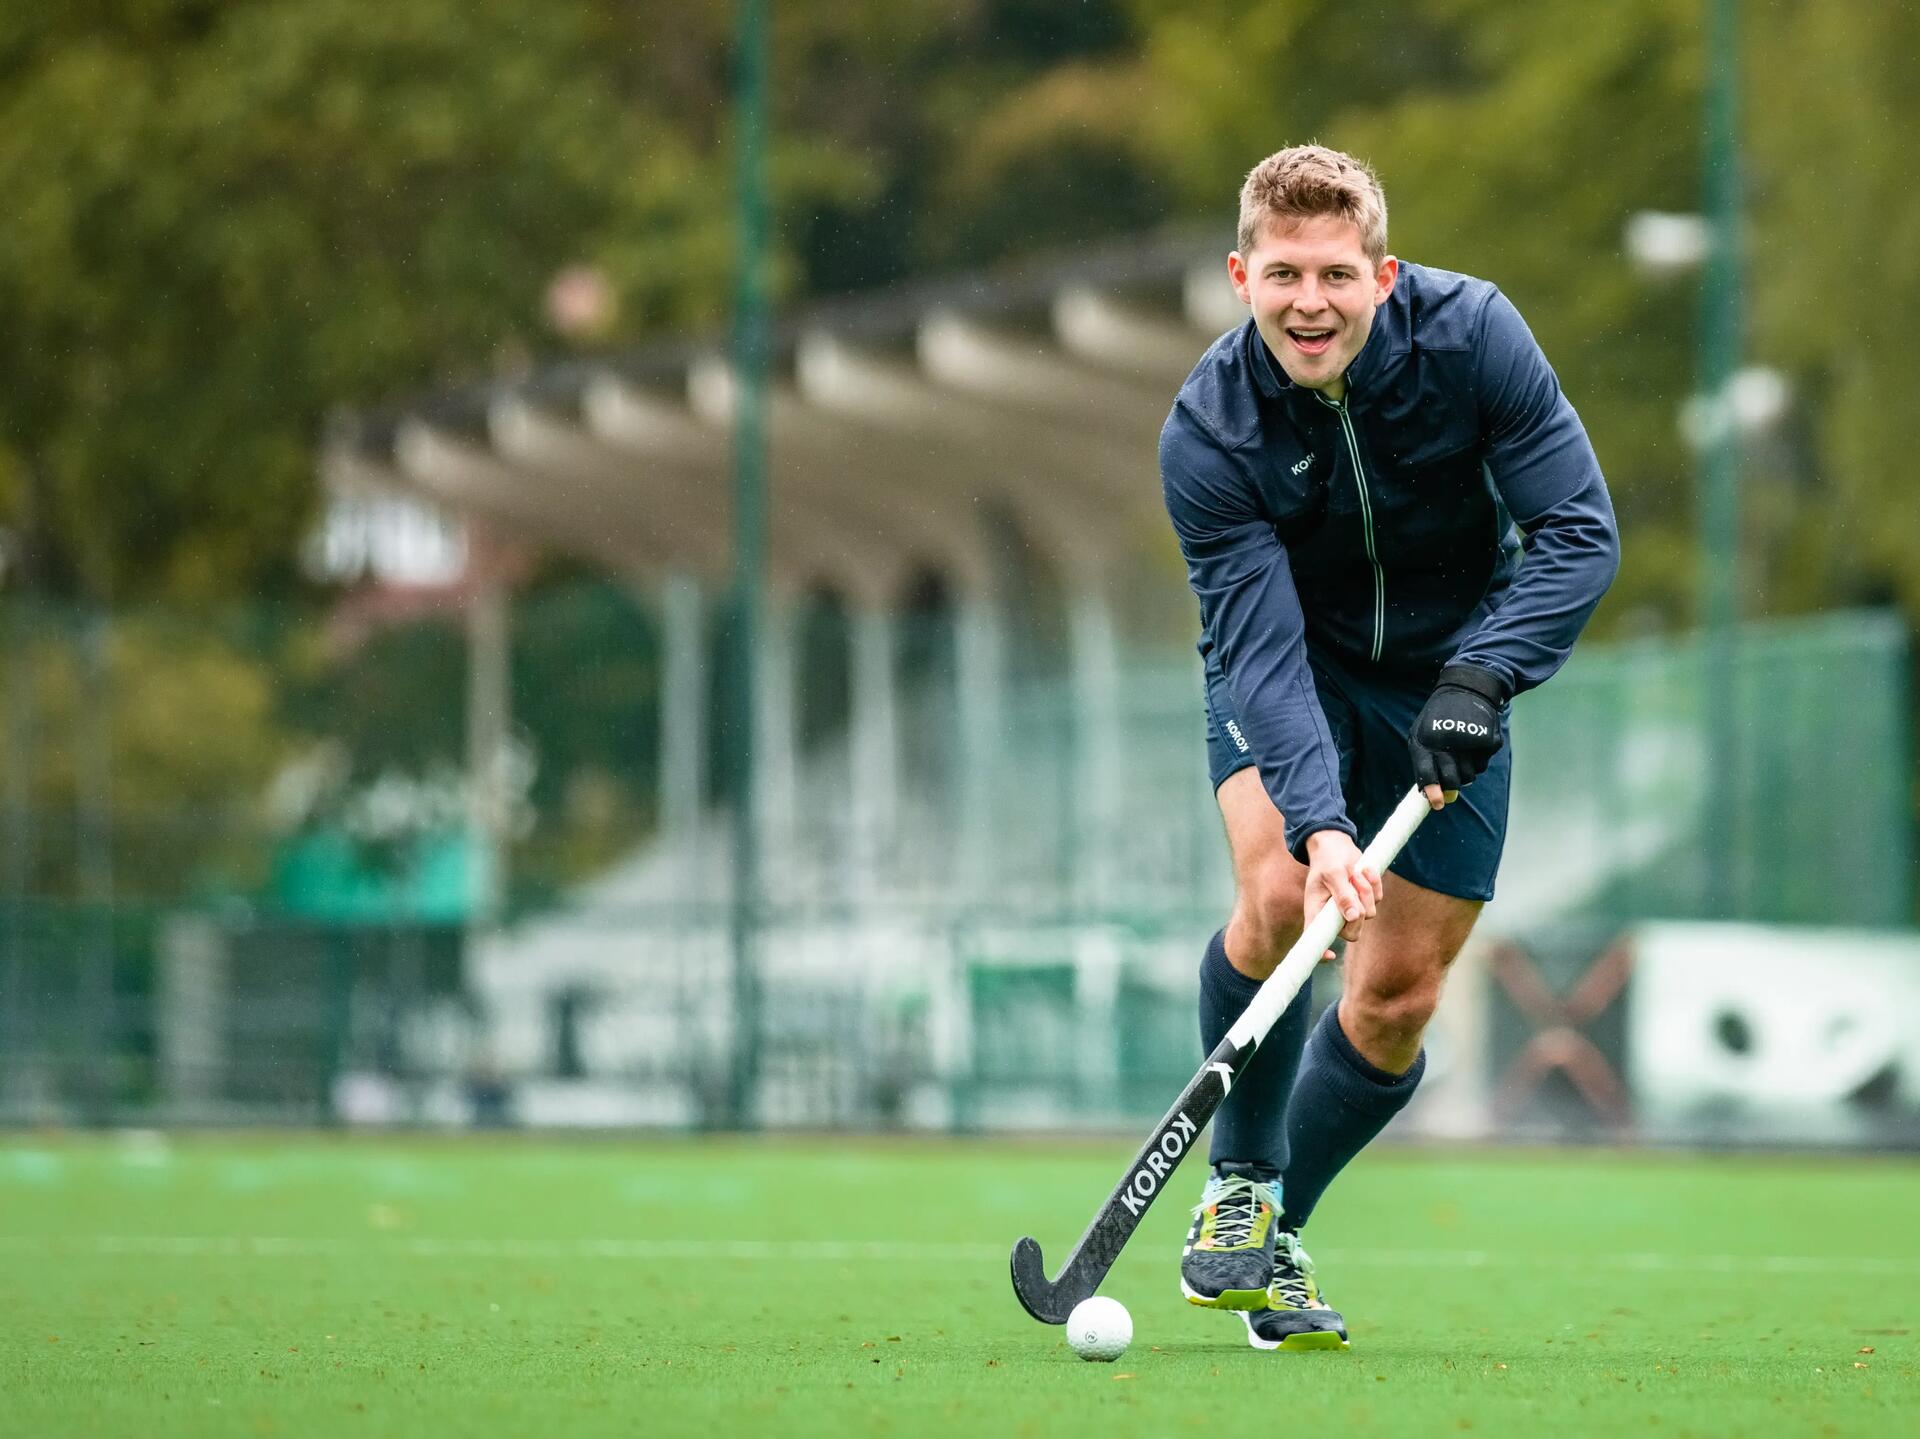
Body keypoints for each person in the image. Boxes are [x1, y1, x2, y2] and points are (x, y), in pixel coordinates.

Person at [1160, 144, 1619, 1351]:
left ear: (1384, 272)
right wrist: (1319, 828)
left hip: (1455, 663)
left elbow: (1578, 533)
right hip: (1292, 659)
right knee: (1275, 897)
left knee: (1400, 990)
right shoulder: (1209, 430)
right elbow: (1257, 653)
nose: (1309, 301)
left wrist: (1483, 674)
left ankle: (1279, 1231)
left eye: (1335, 274)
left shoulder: (1475, 340)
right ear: (1239, 275)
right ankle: (1241, 1179)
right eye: (1282, 275)